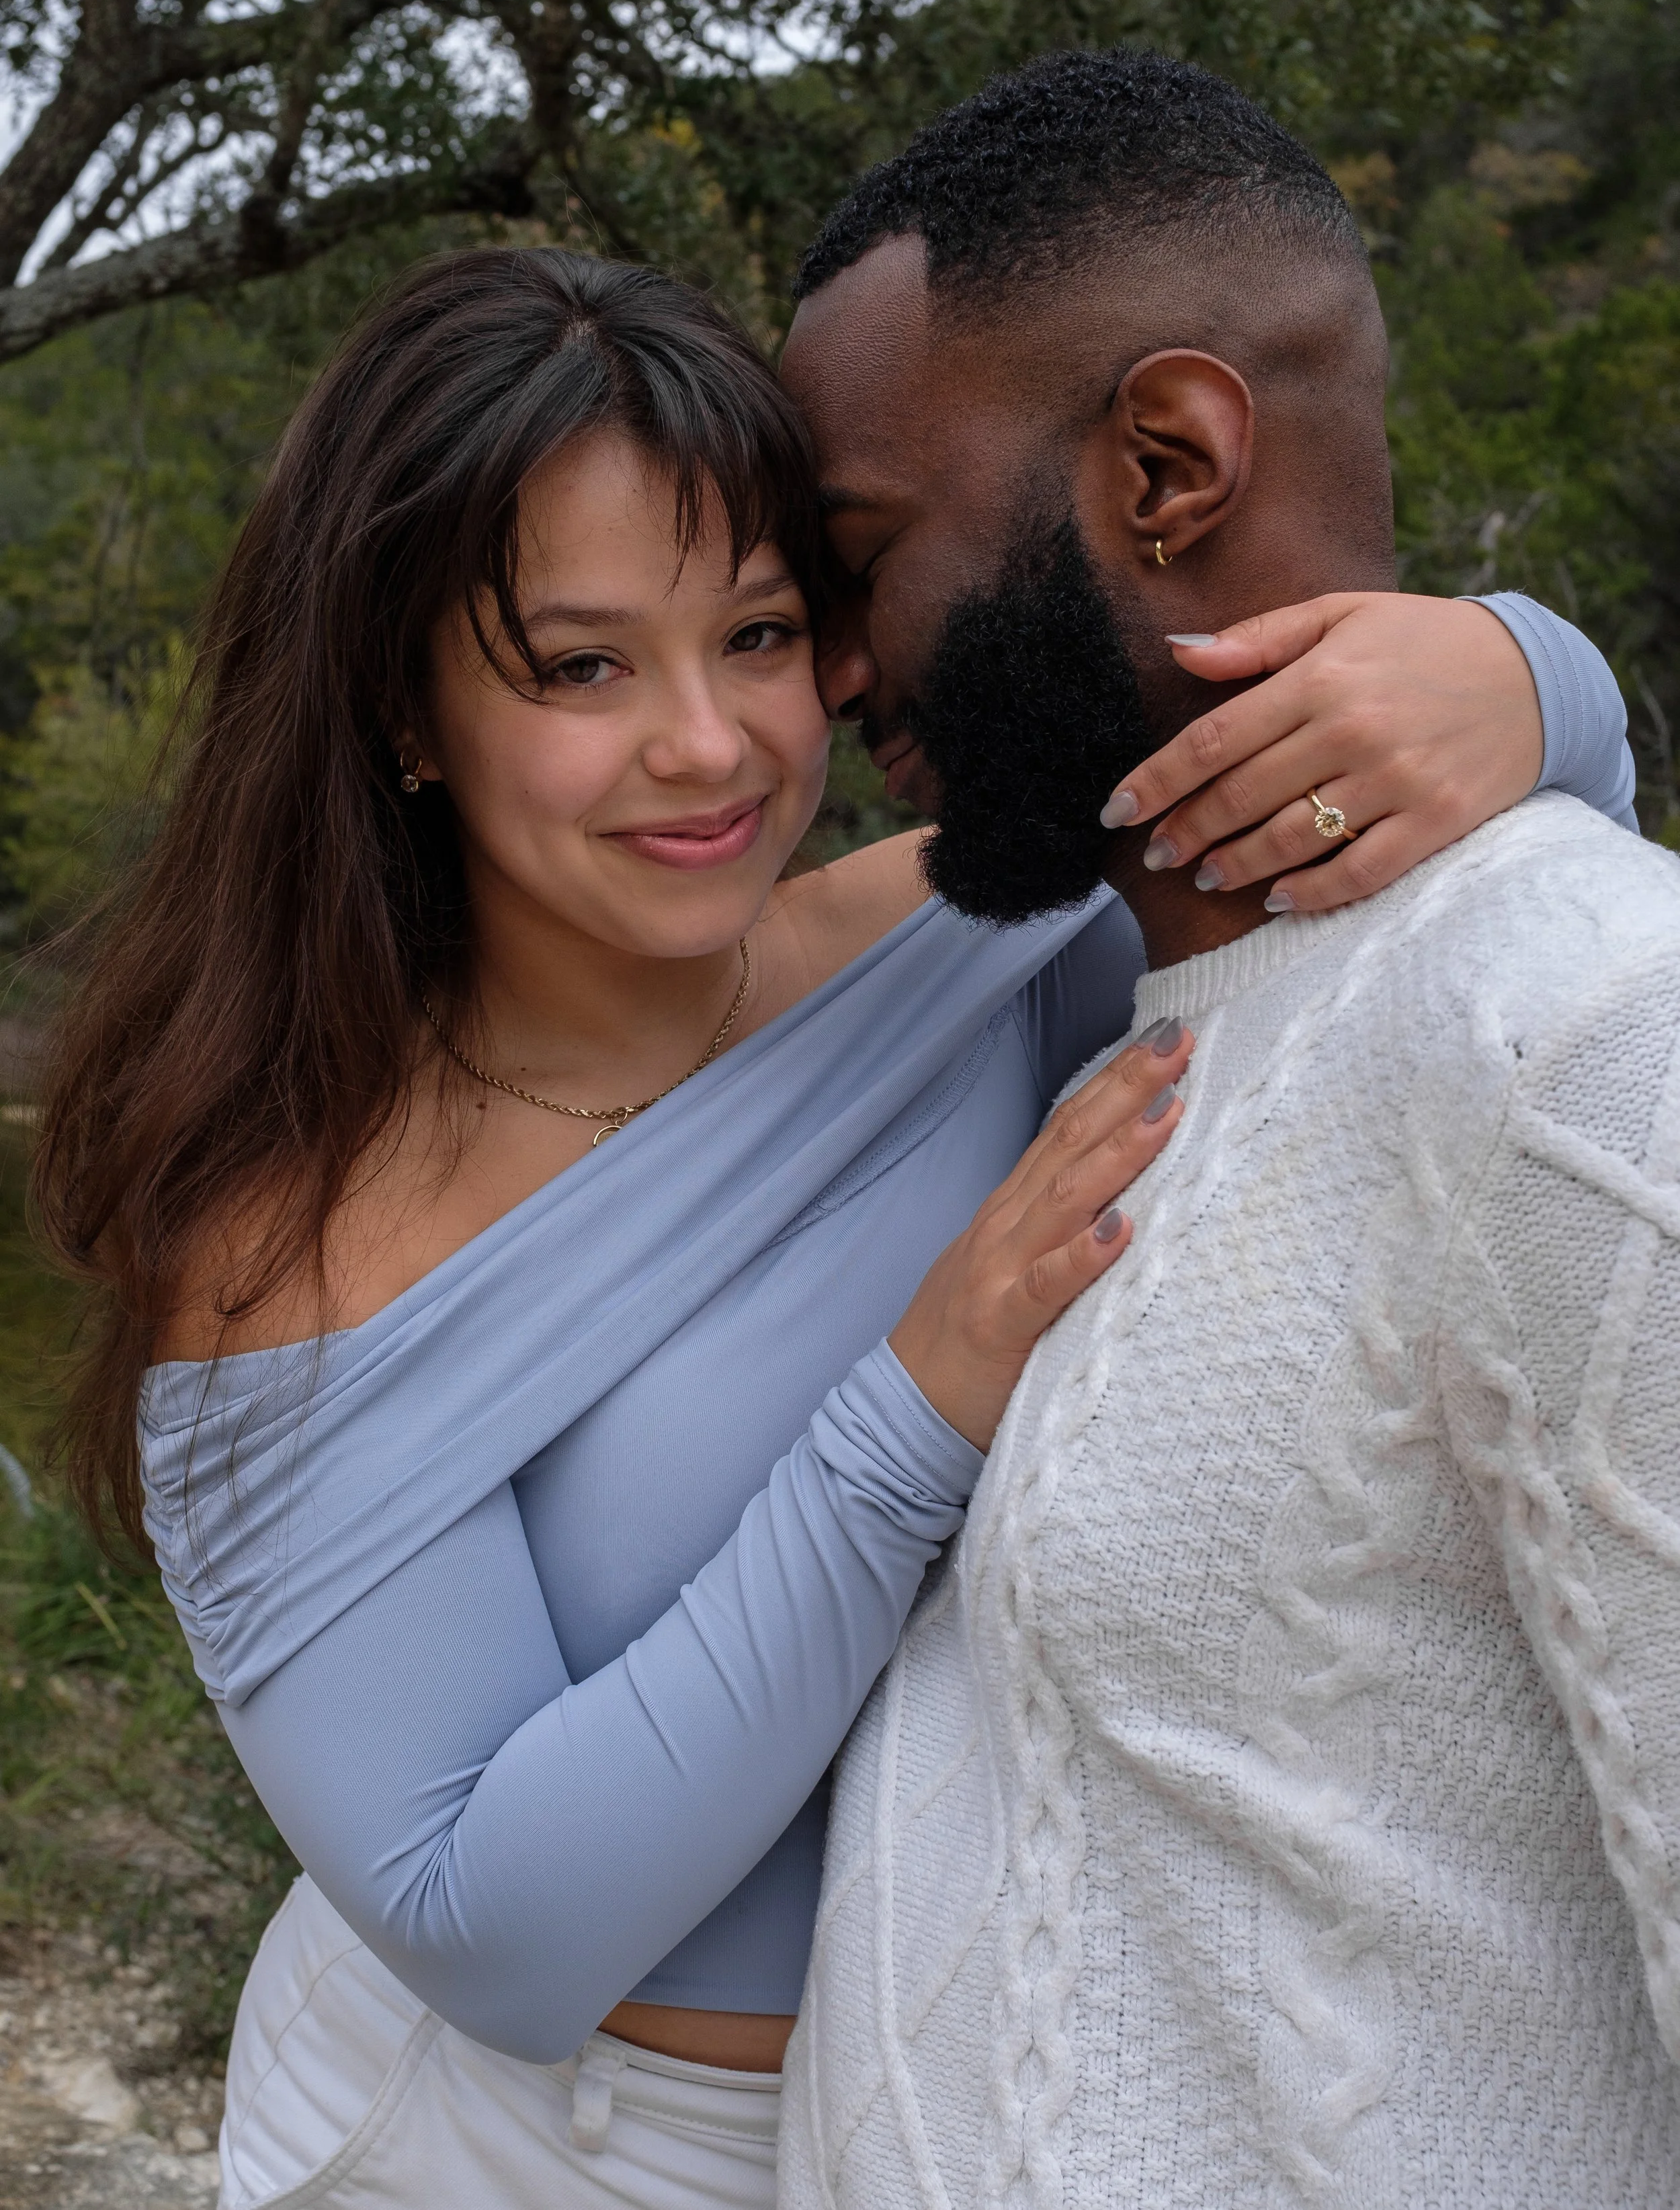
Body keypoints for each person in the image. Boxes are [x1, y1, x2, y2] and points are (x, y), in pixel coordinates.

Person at [34, 235, 1626, 2210]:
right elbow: (494, 1924)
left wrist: (1524, 672)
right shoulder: (291, 1241)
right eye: (583, 665)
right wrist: (919, 1394)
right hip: (540, 2152)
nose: (708, 745)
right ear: (407, 710)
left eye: (762, 635)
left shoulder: (985, 937)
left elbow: (1431, 933)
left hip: (971, 2102)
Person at [778, 48, 1680, 2208]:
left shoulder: (1574, 1029)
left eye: (860, 555)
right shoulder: (1114, 1015)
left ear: (1167, 464)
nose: (817, 673)